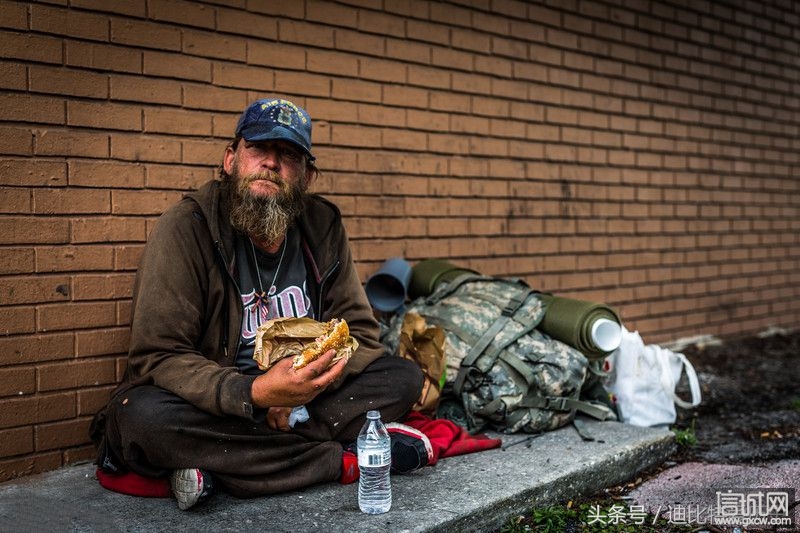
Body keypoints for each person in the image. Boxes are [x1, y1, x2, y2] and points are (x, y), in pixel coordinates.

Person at [90, 97, 431, 510]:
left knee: (402, 376)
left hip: (306, 400)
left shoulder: (323, 225)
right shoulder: (187, 227)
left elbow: (359, 331)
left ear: (307, 176)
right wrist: (255, 393)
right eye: (258, 148)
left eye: (288, 154)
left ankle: (228, 465)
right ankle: (339, 461)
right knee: (139, 417)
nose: (271, 163)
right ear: (231, 160)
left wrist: (299, 394)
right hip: (222, 401)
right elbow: (158, 355)